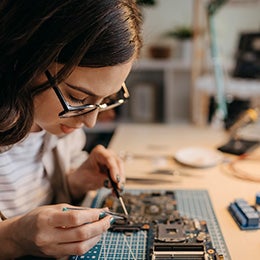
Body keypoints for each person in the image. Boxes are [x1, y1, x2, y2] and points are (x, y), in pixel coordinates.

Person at [0, 0, 142, 258]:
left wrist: (75, 181)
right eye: (78, 97)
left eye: (106, 99)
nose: (90, 122)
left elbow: (38, 199)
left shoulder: (55, 124)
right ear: (23, 59)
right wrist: (13, 237)